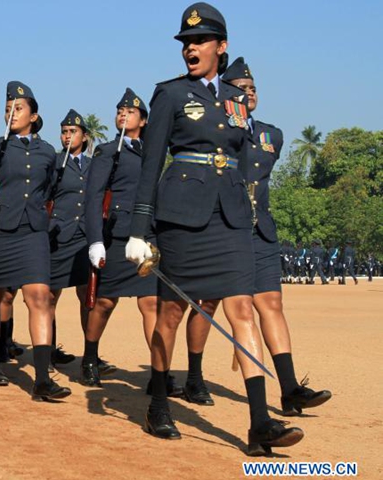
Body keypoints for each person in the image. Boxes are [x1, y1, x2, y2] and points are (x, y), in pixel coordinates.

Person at [124, 3, 303, 454]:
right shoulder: (169, 95)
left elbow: (244, 165)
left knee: (241, 309)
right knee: (170, 313)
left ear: (221, 47)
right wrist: (138, 229)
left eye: (200, 41)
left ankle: (260, 421)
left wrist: (248, 215)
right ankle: (160, 402)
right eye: (186, 42)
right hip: (182, 217)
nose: (191, 49)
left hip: (230, 218)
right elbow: (151, 164)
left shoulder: (237, 101)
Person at [187, 56, 331, 417]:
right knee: (207, 305)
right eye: (240, 88)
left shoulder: (271, 135)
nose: (248, 93)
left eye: (253, 89)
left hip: (259, 229)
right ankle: (193, 376)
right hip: (221, 228)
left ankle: (289, 388)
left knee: (271, 304)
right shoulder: (215, 128)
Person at [0, 80, 72, 401]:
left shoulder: (48, 152)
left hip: (33, 233)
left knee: (40, 298)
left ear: (34, 115)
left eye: (18, 109)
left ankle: (42, 379)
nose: (11, 114)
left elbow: (52, 191)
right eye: (7, 109)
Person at [86, 89, 182, 394]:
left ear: (143, 119)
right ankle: (90, 357)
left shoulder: (153, 151)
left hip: (149, 233)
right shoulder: (107, 151)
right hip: (117, 234)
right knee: (104, 303)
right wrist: (94, 240)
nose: (122, 115)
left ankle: (158, 372)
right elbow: (93, 197)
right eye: (119, 112)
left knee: (151, 303)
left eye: (129, 112)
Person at [47, 109, 90, 371]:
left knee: (88, 297)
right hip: (58, 235)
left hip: (85, 237)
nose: (67, 136)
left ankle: (90, 354)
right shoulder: (54, 162)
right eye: (64, 131)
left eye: (73, 132)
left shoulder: (95, 164)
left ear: (84, 137)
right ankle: (48, 350)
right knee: (50, 296)